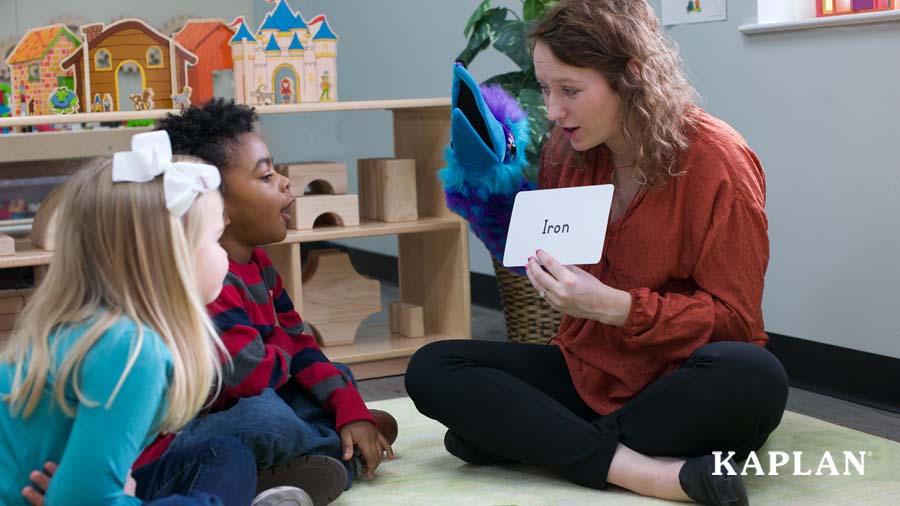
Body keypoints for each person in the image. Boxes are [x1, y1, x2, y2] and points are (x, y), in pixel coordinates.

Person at [406, 1, 788, 505]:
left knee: (755, 379)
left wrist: (616, 306)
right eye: (546, 89)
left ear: (630, 77)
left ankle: (539, 436)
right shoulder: (568, 153)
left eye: (570, 90)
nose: (554, 110)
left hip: (682, 379)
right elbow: (542, 250)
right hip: (587, 371)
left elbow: (736, 321)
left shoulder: (718, 160)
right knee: (434, 366)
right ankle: (643, 471)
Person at [2, 131, 312, 505]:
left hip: (75, 490)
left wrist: (114, 491)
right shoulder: (133, 350)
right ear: (172, 258)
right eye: (215, 239)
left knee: (225, 455)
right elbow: (84, 498)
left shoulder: (98, 328)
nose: (224, 256)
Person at [133, 99, 397, 506]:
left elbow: (299, 345)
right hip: (180, 441)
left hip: (240, 402)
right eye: (266, 175)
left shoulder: (259, 263)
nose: (286, 183)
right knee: (268, 418)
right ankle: (338, 448)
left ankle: (328, 448)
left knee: (330, 378)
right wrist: (286, 345)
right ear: (215, 203)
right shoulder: (203, 280)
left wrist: (348, 405)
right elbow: (252, 376)